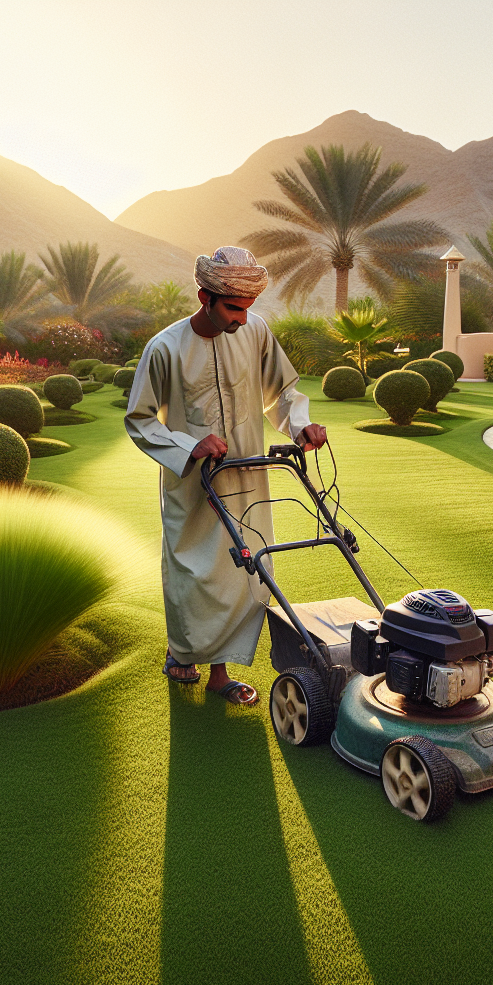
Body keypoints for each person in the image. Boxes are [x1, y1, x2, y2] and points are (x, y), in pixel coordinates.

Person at [123, 247, 328, 705]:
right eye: (234, 309)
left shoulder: (254, 331)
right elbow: (139, 420)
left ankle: (219, 673)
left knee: (246, 567)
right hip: (192, 483)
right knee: (193, 574)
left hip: (247, 476)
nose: (242, 318)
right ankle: (184, 656)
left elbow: (283, 392)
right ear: (205, 297)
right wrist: (187, 445)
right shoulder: (165, 348)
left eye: (248, 308)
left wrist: (302, 427)